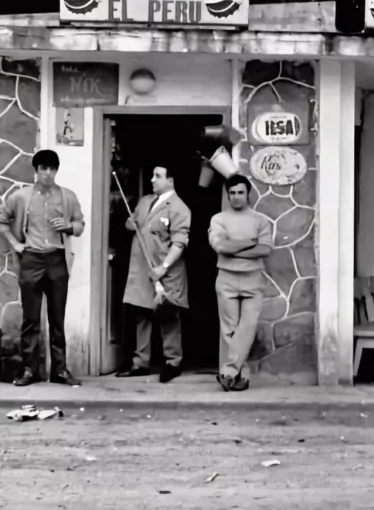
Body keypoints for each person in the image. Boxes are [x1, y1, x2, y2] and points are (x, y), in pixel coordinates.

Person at [0, 149, 84, 387]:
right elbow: (0, 219)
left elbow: (79, 224)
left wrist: (68, 226)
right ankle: (29, 370)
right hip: (31, 258)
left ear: (56, 171)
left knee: (57, 317)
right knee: (31, 319)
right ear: (36, 171)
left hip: (56, 259)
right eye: (43, 168)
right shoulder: (21, 197)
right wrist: (15, 244)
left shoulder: (67, 196)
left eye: (52, 169)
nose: (48, 173)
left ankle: (60, 371)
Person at [117, 165, 191, 383]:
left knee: (168, 316)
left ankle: (172, 362)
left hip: (165, 271)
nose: (152, 180)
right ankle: (141, 362)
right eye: (152, 175)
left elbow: (179, 243)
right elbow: (132, 223)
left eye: (157, 176)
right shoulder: (145, 201)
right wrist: (130, 224)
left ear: (171, 180)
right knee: (141, 314)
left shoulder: (179, 208)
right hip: (142, 270)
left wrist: (164, 266)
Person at [208, 174, 273, 392]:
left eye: (240, 193)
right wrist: (249, 244)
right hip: (226, 277)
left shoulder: (260, 220)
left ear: (248, 194)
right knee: (229, 329)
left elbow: (265, 249)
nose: (236, 197)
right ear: (228, 195)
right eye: (232, 193)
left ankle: (227, 372)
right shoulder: (218, 219)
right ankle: (239, 376)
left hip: (253, 278)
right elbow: (220, 247)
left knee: (247, 327)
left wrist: (234, 248)